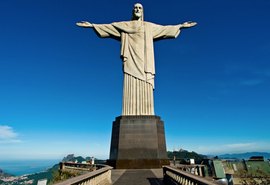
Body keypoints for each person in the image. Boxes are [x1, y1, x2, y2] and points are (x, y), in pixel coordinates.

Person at [77, 3, 196, 115]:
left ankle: (146, 112)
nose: (137, 10)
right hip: (131, 61)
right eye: (135, 8)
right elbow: (109, 27)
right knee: (129, 84)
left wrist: (180, 26)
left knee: (146, 86)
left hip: (145, 63)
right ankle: (129, 112)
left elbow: (165, 29)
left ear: (143, 11)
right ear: (132, 11)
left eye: (140, 8)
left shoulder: (149, 26)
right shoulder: (124, 26)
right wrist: (92, 25)